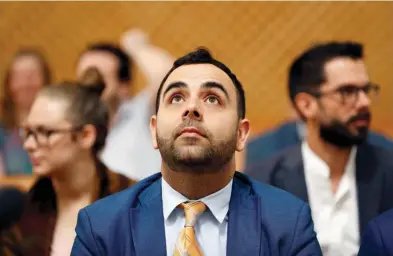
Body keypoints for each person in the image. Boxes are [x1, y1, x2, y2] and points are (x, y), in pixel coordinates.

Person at [71, 47, 322, 255]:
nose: (191, 108)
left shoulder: (288, 223)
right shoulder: (101, 226)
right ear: (154, 130)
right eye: (176, 98)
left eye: (212, 98)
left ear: (241, 133)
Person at [246, 41, 393, 256]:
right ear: (306, 105)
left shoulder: (388, 170)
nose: (364, 102)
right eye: (347, 91)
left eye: (366, 90)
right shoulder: (262, 182)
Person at [1, 69, 136, 256]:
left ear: (86, 136)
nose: (29, 145)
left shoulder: (135, 203)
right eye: (28, 132)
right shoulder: (21, 214)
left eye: (45, 132)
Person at [76, 29, 174, 180]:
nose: (90, 84)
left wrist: (136, 47)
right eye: (85, 76)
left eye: (99, 78)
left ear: (124, 87)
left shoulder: (142, 113)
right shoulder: (72, 124)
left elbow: (170, 78)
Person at [0, 49, 52, 176]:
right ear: (9, 84)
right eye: (19, 77)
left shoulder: (61, 129)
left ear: (45, 81)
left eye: (32, 76)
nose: (26, 84)